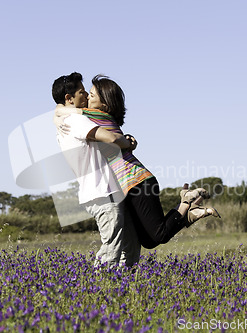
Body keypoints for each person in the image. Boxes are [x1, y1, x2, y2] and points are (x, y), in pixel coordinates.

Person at [55, 74, 220, 250]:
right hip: (130, 184)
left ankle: (186, 202)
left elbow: (64, 110)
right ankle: (188, 214)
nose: (87, 97)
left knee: (159, 235)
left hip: (136, 181)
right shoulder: (102, 118)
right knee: (148, 240)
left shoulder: (97, 115)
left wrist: (57, 117)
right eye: (87, 93)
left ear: (104, 105)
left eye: (92, 95)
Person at [52, 72, 140, 267]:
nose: (86, 96)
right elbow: (111, 138)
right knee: (112, 250)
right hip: (102, 193)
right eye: (82, 92)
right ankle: (96, 288)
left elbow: (59, 108)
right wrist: (129, 143)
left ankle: (123, 290)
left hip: (107, 192)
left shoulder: (66, 119)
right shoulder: (75, 121)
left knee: (130, 248)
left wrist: (57, 112)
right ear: (69, 98)